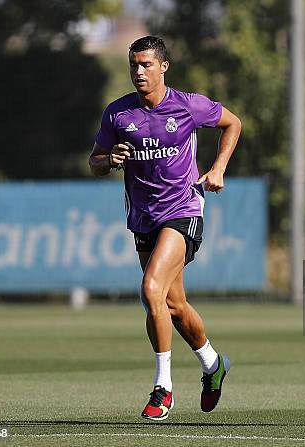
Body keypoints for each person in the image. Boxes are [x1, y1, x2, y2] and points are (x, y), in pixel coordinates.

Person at [89, 36, 241, 421]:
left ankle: (163, 387)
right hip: (143, 217)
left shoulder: (187, 105)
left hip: (184, 209)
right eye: (134, 65)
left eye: (146, 64)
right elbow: (94, 162)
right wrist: (110, 158)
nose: (139, 71)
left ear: (163, 67)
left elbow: (232, 123)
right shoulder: (118, 113)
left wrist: (219, 167)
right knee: (171, 304)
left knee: (150, 288)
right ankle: (212, 364)